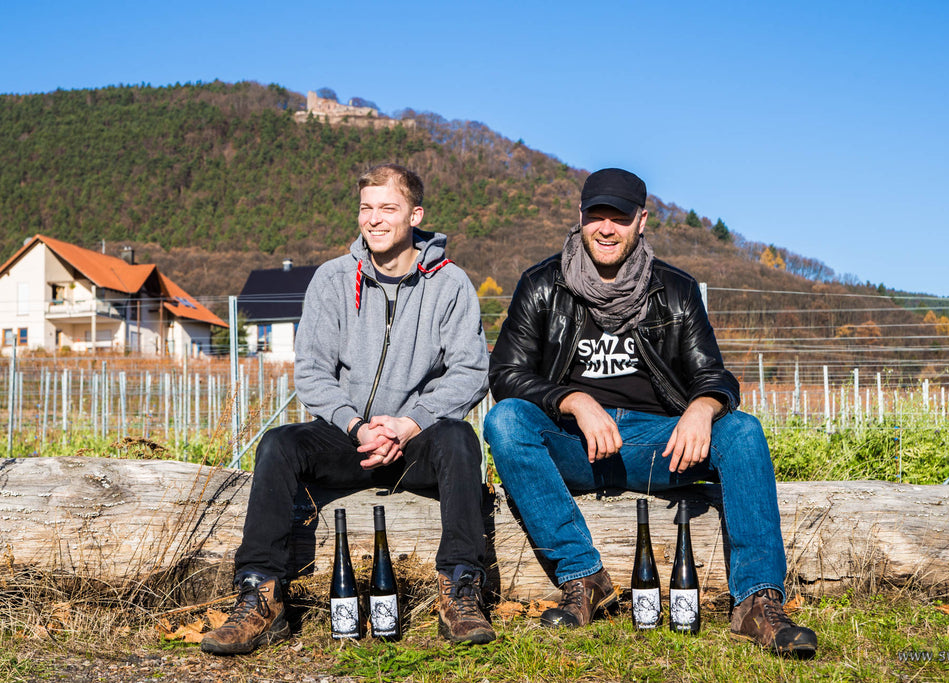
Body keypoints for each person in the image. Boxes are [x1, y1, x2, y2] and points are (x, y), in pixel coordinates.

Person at [483, 168, 817, 658]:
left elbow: (715, 376)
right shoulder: (541, 285)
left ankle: (757, 603)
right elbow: (505, 374)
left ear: (641, 221)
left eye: (619, 218)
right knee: (505, 420)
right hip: (574, 444)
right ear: (580, 217)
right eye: (596, 216)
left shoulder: (675, 290)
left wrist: (702, 408)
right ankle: (584, 578)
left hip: (659, 446)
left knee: (743, 430)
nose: (606, 228)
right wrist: (572, 400)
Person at [201, 164, 496, 655]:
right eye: (366, 208)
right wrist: (357, 426)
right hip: (349, 437)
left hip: (416, 440)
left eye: (388, 208)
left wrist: (410, 423)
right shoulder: (333, 279)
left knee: (459, 438)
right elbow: (311, 371)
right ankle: (260, 595)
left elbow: (470, 371)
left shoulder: (451, 284)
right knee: (278, 444)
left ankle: (461, 588)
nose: (373, 219)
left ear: (415, 215)